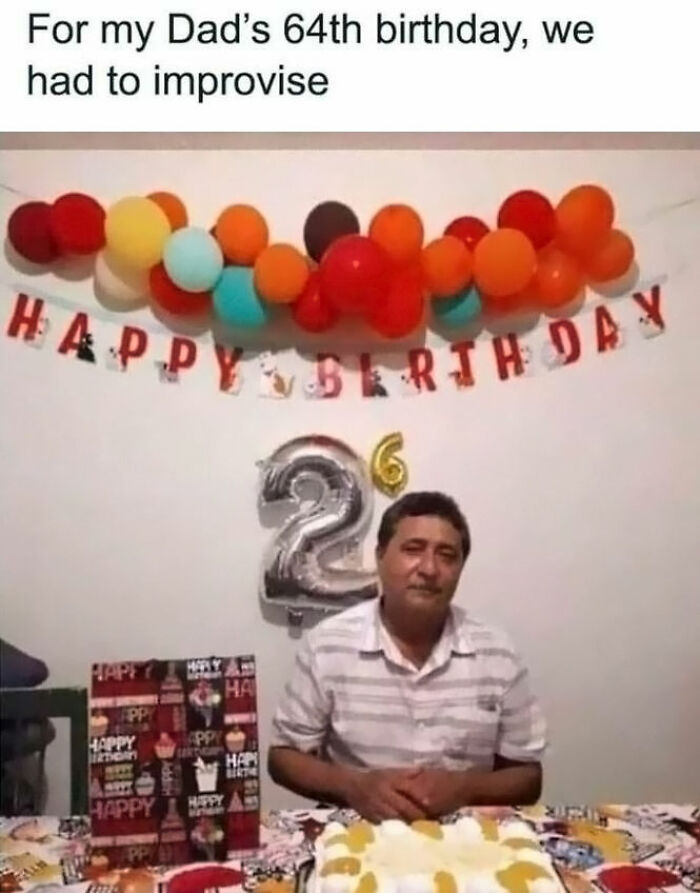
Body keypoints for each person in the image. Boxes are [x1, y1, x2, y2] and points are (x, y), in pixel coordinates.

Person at [267, 491, 548, 822]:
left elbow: (528, 778)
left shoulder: (498, 653)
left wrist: (465, 788)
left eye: (447, 555)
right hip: (357, 835)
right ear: (381, 556)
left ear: (460, 569)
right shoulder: (328, 645)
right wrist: (353, 785)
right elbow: (283, 756)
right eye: (413, 549)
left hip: (466, 840)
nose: (429, 568)